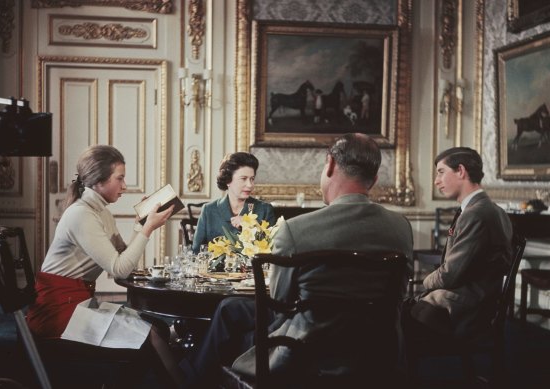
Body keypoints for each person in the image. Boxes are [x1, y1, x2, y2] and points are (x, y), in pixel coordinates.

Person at [177, 133, 414, 388]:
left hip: (307, 353)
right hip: (377, 353)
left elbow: (279, 304)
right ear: (374, 179)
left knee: (232, 322)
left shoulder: (295, 230)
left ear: (330, 164)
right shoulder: (401, 228)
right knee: (233, 311)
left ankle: (193, 379)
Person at [25, 145, 181, 386]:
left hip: (78, 305)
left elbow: (123, 259)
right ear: (98, 181)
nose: (125, 186)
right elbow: (119, 269)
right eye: (119, 178)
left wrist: (141, 225)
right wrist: (148, 229)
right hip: (57, 314)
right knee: (150, 335)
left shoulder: (101, 213)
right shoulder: (81, 214)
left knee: (157, 327)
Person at [403, 147, 513, 340]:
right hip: (473, 302)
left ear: (461, 171)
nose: (437, 181)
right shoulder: (490, 209)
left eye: (441, 172)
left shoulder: (476, 214)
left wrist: (426, 281)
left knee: (390, 319)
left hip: (466, 311)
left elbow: (449, 276)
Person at [192, 152, 276, 253]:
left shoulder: (265, 210)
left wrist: (250, 227)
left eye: (252, 179)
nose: (250, 185)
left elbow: (273, 251)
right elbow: (197, 253)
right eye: (243, 179)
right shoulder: (208, 210)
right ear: (228, 180)